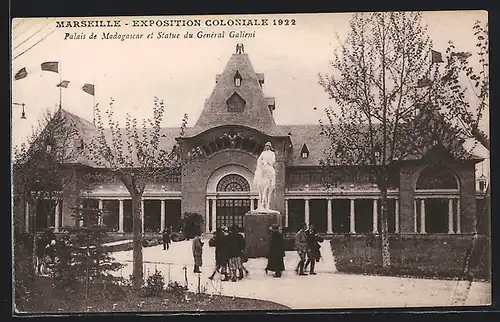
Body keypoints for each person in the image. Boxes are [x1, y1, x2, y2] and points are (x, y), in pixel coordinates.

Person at [253, 142, 276, 210]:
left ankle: (272, 183)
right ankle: (261, 204)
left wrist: (269, 162)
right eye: (266, 146)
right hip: (263, 166)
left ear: (270, 147)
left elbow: (273, 160)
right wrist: (260, 164)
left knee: (272, 173)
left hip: (268, 166)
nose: (267, 147)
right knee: (258, 172)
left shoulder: (272, 153)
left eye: (268, 146)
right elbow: (259, 159)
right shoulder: (263, 153)